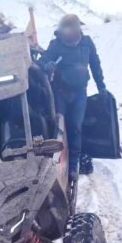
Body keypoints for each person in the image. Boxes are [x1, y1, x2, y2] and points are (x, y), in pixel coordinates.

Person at [38, 14, 107, 180]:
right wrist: (47, 65)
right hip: (60, 92)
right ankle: (57, 165)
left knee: (75, 126)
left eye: (72, 29)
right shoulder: (55, 44)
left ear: (77, 28)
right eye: (66, 29)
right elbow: (42, 61)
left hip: (80, 93)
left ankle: (73, 166)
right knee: (59, 128)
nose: (69, 33)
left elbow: (95, 64)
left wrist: (101, 86)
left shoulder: (87, 43)